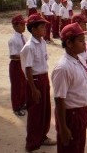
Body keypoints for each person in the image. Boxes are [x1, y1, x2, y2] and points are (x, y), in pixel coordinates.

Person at [51, 23, 87, 153]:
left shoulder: (78, 59)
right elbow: (59, 99)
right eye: (80, 41)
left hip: (80, 111)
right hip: (71, 115)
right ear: (69, 43)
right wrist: (63, 127)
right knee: (70, 147)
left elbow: (81, 87)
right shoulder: (63, 68)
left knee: (79, 145)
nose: (84, 44)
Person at [20, 14, 56, 152]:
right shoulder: (29, 47)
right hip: (34, 80)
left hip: (43, 77)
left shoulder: (42, 42)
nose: (45, 28)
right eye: (42, 26)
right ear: (33, 29)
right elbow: (28, 69)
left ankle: (42, 136)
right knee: (35, 112)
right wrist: (33, 89)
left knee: (45, 110)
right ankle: (32, 142)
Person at [8, 15, 27, 116]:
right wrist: (25, 56)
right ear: (15, 26)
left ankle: (22, 103)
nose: (24, 26)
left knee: (24, 84)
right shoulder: (13, 40)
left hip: (23, 64)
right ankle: (16, 107)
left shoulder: (24, 37)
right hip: (16, 65)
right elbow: (13, 56)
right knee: (17, 86)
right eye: (22, 24)